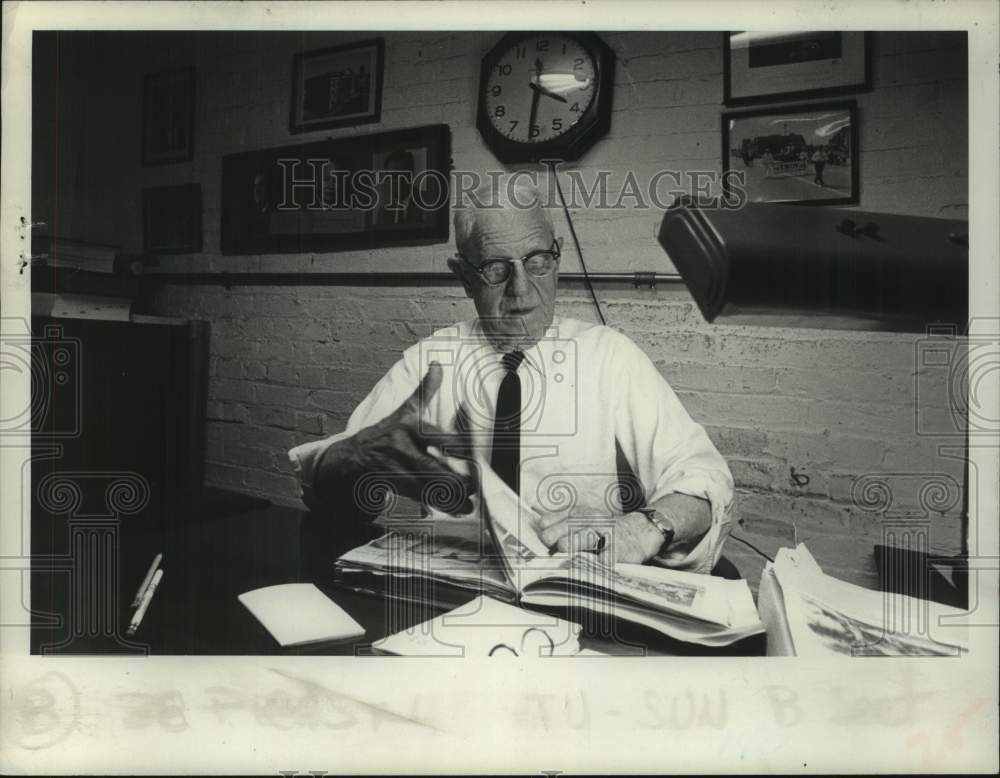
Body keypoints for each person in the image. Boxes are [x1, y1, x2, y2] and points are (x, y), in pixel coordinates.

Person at [288, 181, 734, 573]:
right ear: (464, 277)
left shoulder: (611, 357)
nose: (521, 290)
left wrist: (643, 527)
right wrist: (353, 458)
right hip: (454, 591)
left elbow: (702, 476)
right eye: (496, 269)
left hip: (576, 591)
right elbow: (324, 486)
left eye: (537, 260)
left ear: (556, 257)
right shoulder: (431, 361)